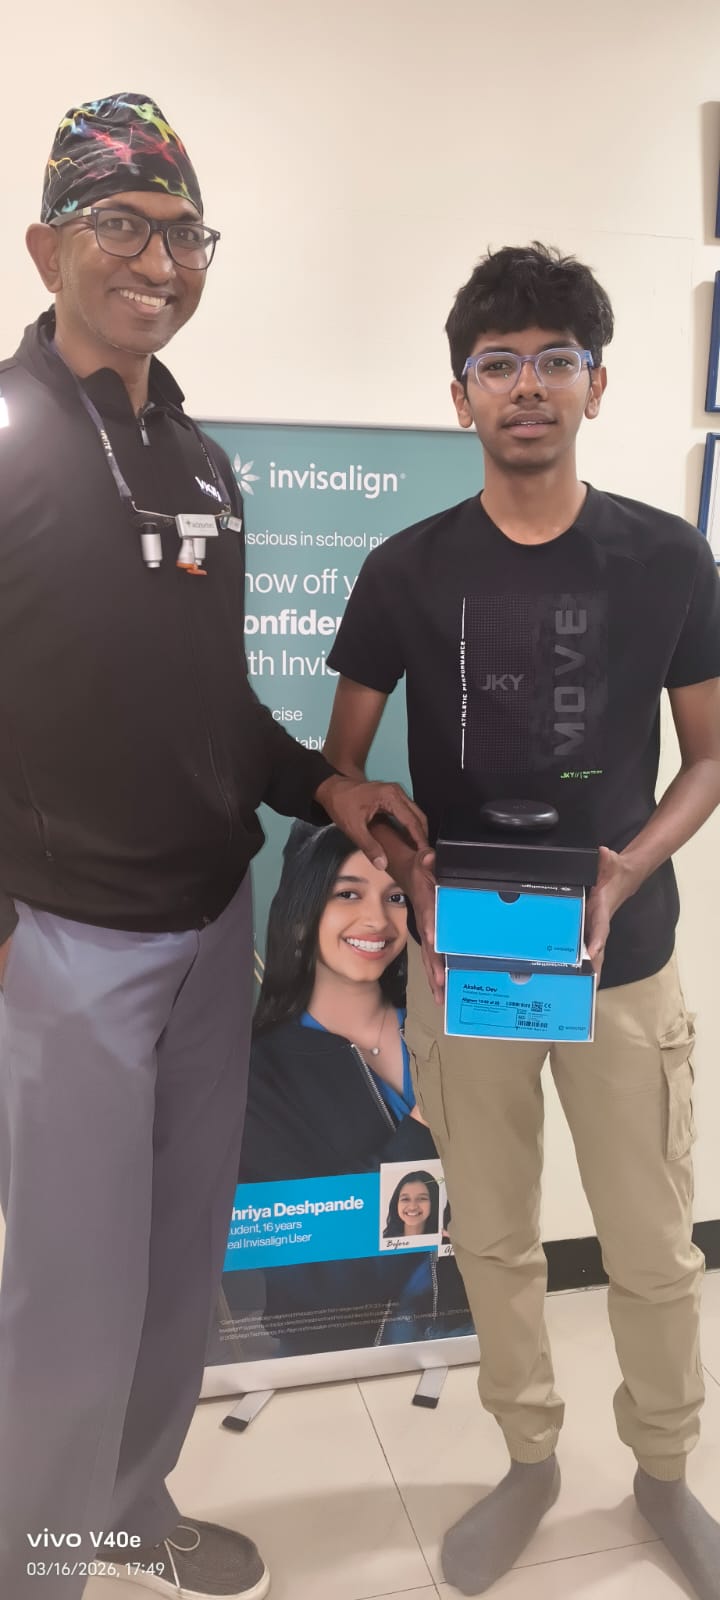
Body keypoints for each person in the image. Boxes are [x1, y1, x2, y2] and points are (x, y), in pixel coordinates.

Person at [0, 93, 427, 1600]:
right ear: (46, 244)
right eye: (121, 224)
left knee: (181, 1258)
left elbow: (216, 705)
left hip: (208, 925)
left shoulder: (197, 458)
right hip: (65, 939)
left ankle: (129, 1505)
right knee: (73, 1287)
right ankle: (39, 1563)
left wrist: (326, 789)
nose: (158, 260)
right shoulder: (9, 438)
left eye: (185, 234)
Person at [324, 243, 720, 1599]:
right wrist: (412, 871)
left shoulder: (669, 558)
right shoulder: (406, 568)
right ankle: (530, 1457)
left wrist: (627, 871)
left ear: (598, 385)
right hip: (468, 966)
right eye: (499, 364)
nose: (529, 385)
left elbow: (709, 756)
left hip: (623, 965)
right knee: (492, 1235)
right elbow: (349, 769)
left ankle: (663, 1471)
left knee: (652, 1246)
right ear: (462, 396)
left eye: (557, 359)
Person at [227, 823, 473, 1352]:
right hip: (340, 1358)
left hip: (472, 1338)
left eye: (396, 897)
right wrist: (424, 1127)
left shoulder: (444, 1033)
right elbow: (308, 1269)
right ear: (302, 913)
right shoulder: (258, 1070)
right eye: (348, 894)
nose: (377, 919)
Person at [382, 1171, 440, 1239]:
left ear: (434, 1202)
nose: (412, 1207)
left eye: (422, 1198)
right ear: (396, 1203)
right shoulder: (381, 1241)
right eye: (405, 1199)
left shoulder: (444, 1240)